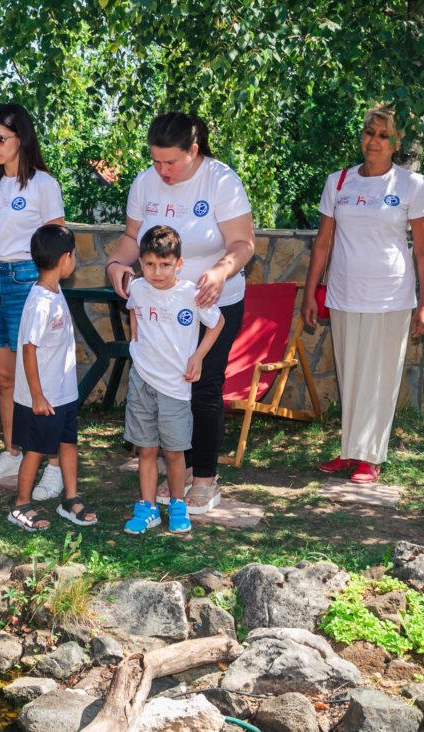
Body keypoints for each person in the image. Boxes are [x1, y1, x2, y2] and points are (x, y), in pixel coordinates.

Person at [104, 112, 255, 514]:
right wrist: (116, 265)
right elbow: (130, 238)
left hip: (211, 301)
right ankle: (179, 470)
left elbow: (243, 244)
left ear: (194, 150)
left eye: (170, 162)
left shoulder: (221, 180)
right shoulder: (144, 183)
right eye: (155, 161)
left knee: (202, 384)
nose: (162, 170)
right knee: (165, 386)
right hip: (160, 307)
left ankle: (204, 478)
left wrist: (220, 272)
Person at [301, 105, 424, 485]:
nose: (373, 141)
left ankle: (371, 457)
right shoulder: (339, 182)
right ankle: (350, 451)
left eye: (382, 135)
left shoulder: (411, 185)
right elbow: (323, 243)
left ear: (396, 143)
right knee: (350, 375)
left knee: (380, 377)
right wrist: (310, 294)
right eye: (368, 133)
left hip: (391, 296)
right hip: (344, 294)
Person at [0, 103, 67, 499]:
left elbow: (57, 242)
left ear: (21, 138)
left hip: (27, 279)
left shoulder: (43, 184)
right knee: (6, 379)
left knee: (39, 378)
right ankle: (13, 451)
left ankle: (54, 465)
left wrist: (47, 287)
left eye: (0, 139)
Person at [122, 225, 223, 534]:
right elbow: (133, 310)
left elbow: (217, 322)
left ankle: (178, 505)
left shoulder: (190, 294)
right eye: (150, 264)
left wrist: (198, 357)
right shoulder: (138, 288)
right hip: (141, 381)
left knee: (174, 452)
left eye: (165, 264)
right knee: (146, 449)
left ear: (179, 263)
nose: (157, 271)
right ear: (141, 262)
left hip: (175, 388)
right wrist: (135, 335)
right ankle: (147, 507)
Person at [7, 225, 97, 531]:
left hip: (63, 394)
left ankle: (70, 498)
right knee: (34, 451)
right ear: (65, 258)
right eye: (74, 255)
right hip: (41, 398)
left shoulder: (56, 292)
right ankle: (21, 504)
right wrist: (37, 395)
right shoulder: (40, 302)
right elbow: (28, 348)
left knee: (68, 443)